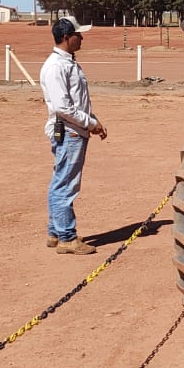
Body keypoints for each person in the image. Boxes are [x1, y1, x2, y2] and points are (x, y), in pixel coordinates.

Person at [39, 15, 108, 254]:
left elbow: (76, 101)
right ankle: (67, 237)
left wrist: (92, 120)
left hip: (74, 130)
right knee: (65, 185)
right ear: (67, 37)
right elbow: (63, 107)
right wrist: (90, 123)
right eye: (78, 35)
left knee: (61, 181)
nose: (82, 38)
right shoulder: (56, 66)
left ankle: (55, 232)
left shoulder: (66, 63)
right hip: (70, 132)